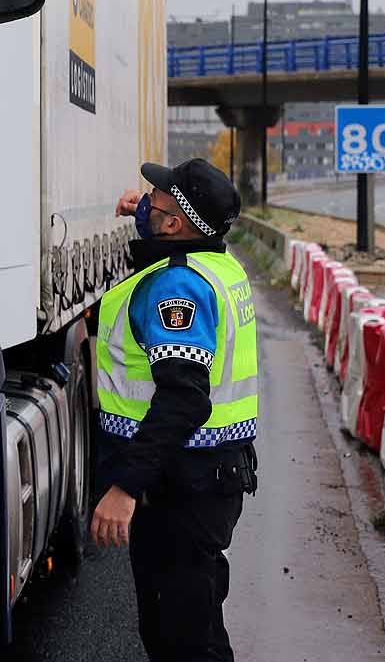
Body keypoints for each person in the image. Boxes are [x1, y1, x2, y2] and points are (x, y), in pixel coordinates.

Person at [90, 157, 260, 662]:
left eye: (156, 199)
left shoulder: (177, 286)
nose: (146, 200)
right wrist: (145, 220)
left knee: (180, 640)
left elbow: (184, 397)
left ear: (174, 224)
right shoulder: (216, 264)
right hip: (206, 479)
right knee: (198, 625)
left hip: (180, 488)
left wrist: (125, 487)